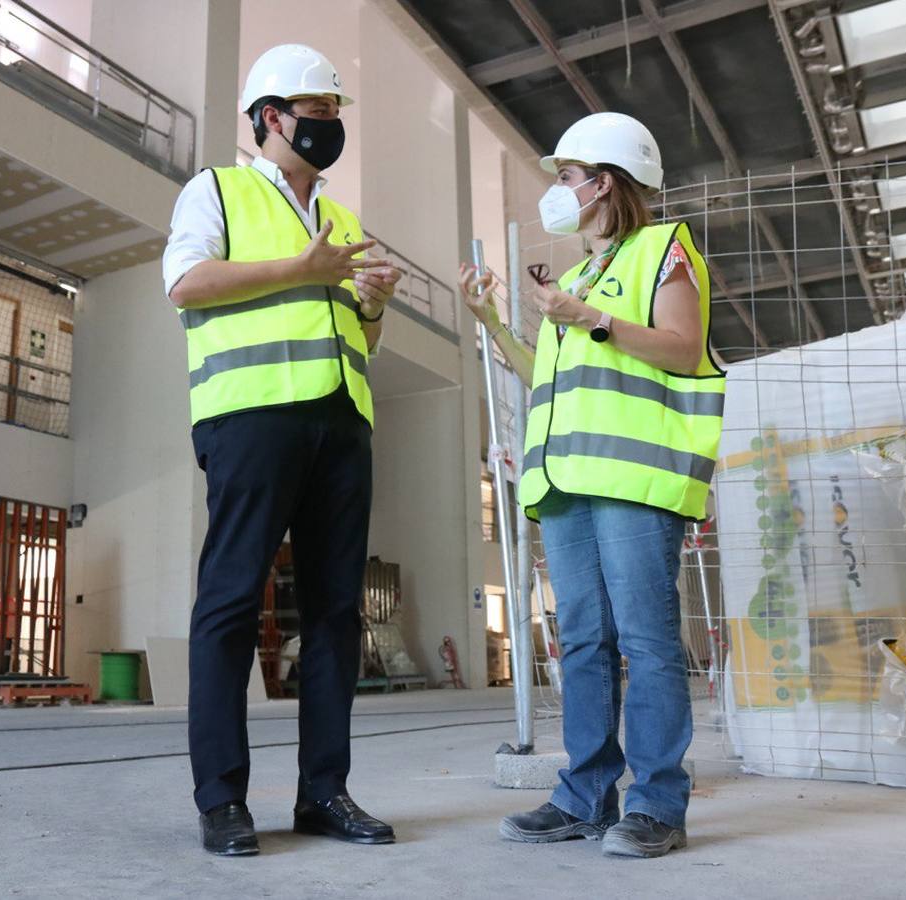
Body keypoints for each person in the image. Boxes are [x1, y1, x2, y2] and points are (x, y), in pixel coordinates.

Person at [459, 112, 725, 859]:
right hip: (568, 482)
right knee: (582, 642)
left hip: (636, 479)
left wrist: (594, 319)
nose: (559, 191)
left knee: (646, 639)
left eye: (567, 177)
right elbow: (540, 375)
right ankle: (583, 796)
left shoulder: (661, 251)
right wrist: (492, 322)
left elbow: (681, 348)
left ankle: (657, 806)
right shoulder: (575, 279)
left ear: (603, 182)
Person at [162, 43, 402, 857]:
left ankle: (323, 794)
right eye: (319, 112)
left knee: (336, 616)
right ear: (271, 117)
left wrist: (372, 305)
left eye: (336, 114)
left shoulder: (342, 220)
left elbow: (356, 338)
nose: (330, 127)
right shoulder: (217, 190)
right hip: (252, 418)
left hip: (340, 420)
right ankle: (222, 800)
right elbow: (186, 284)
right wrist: (300, 269)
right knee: (230, 603)